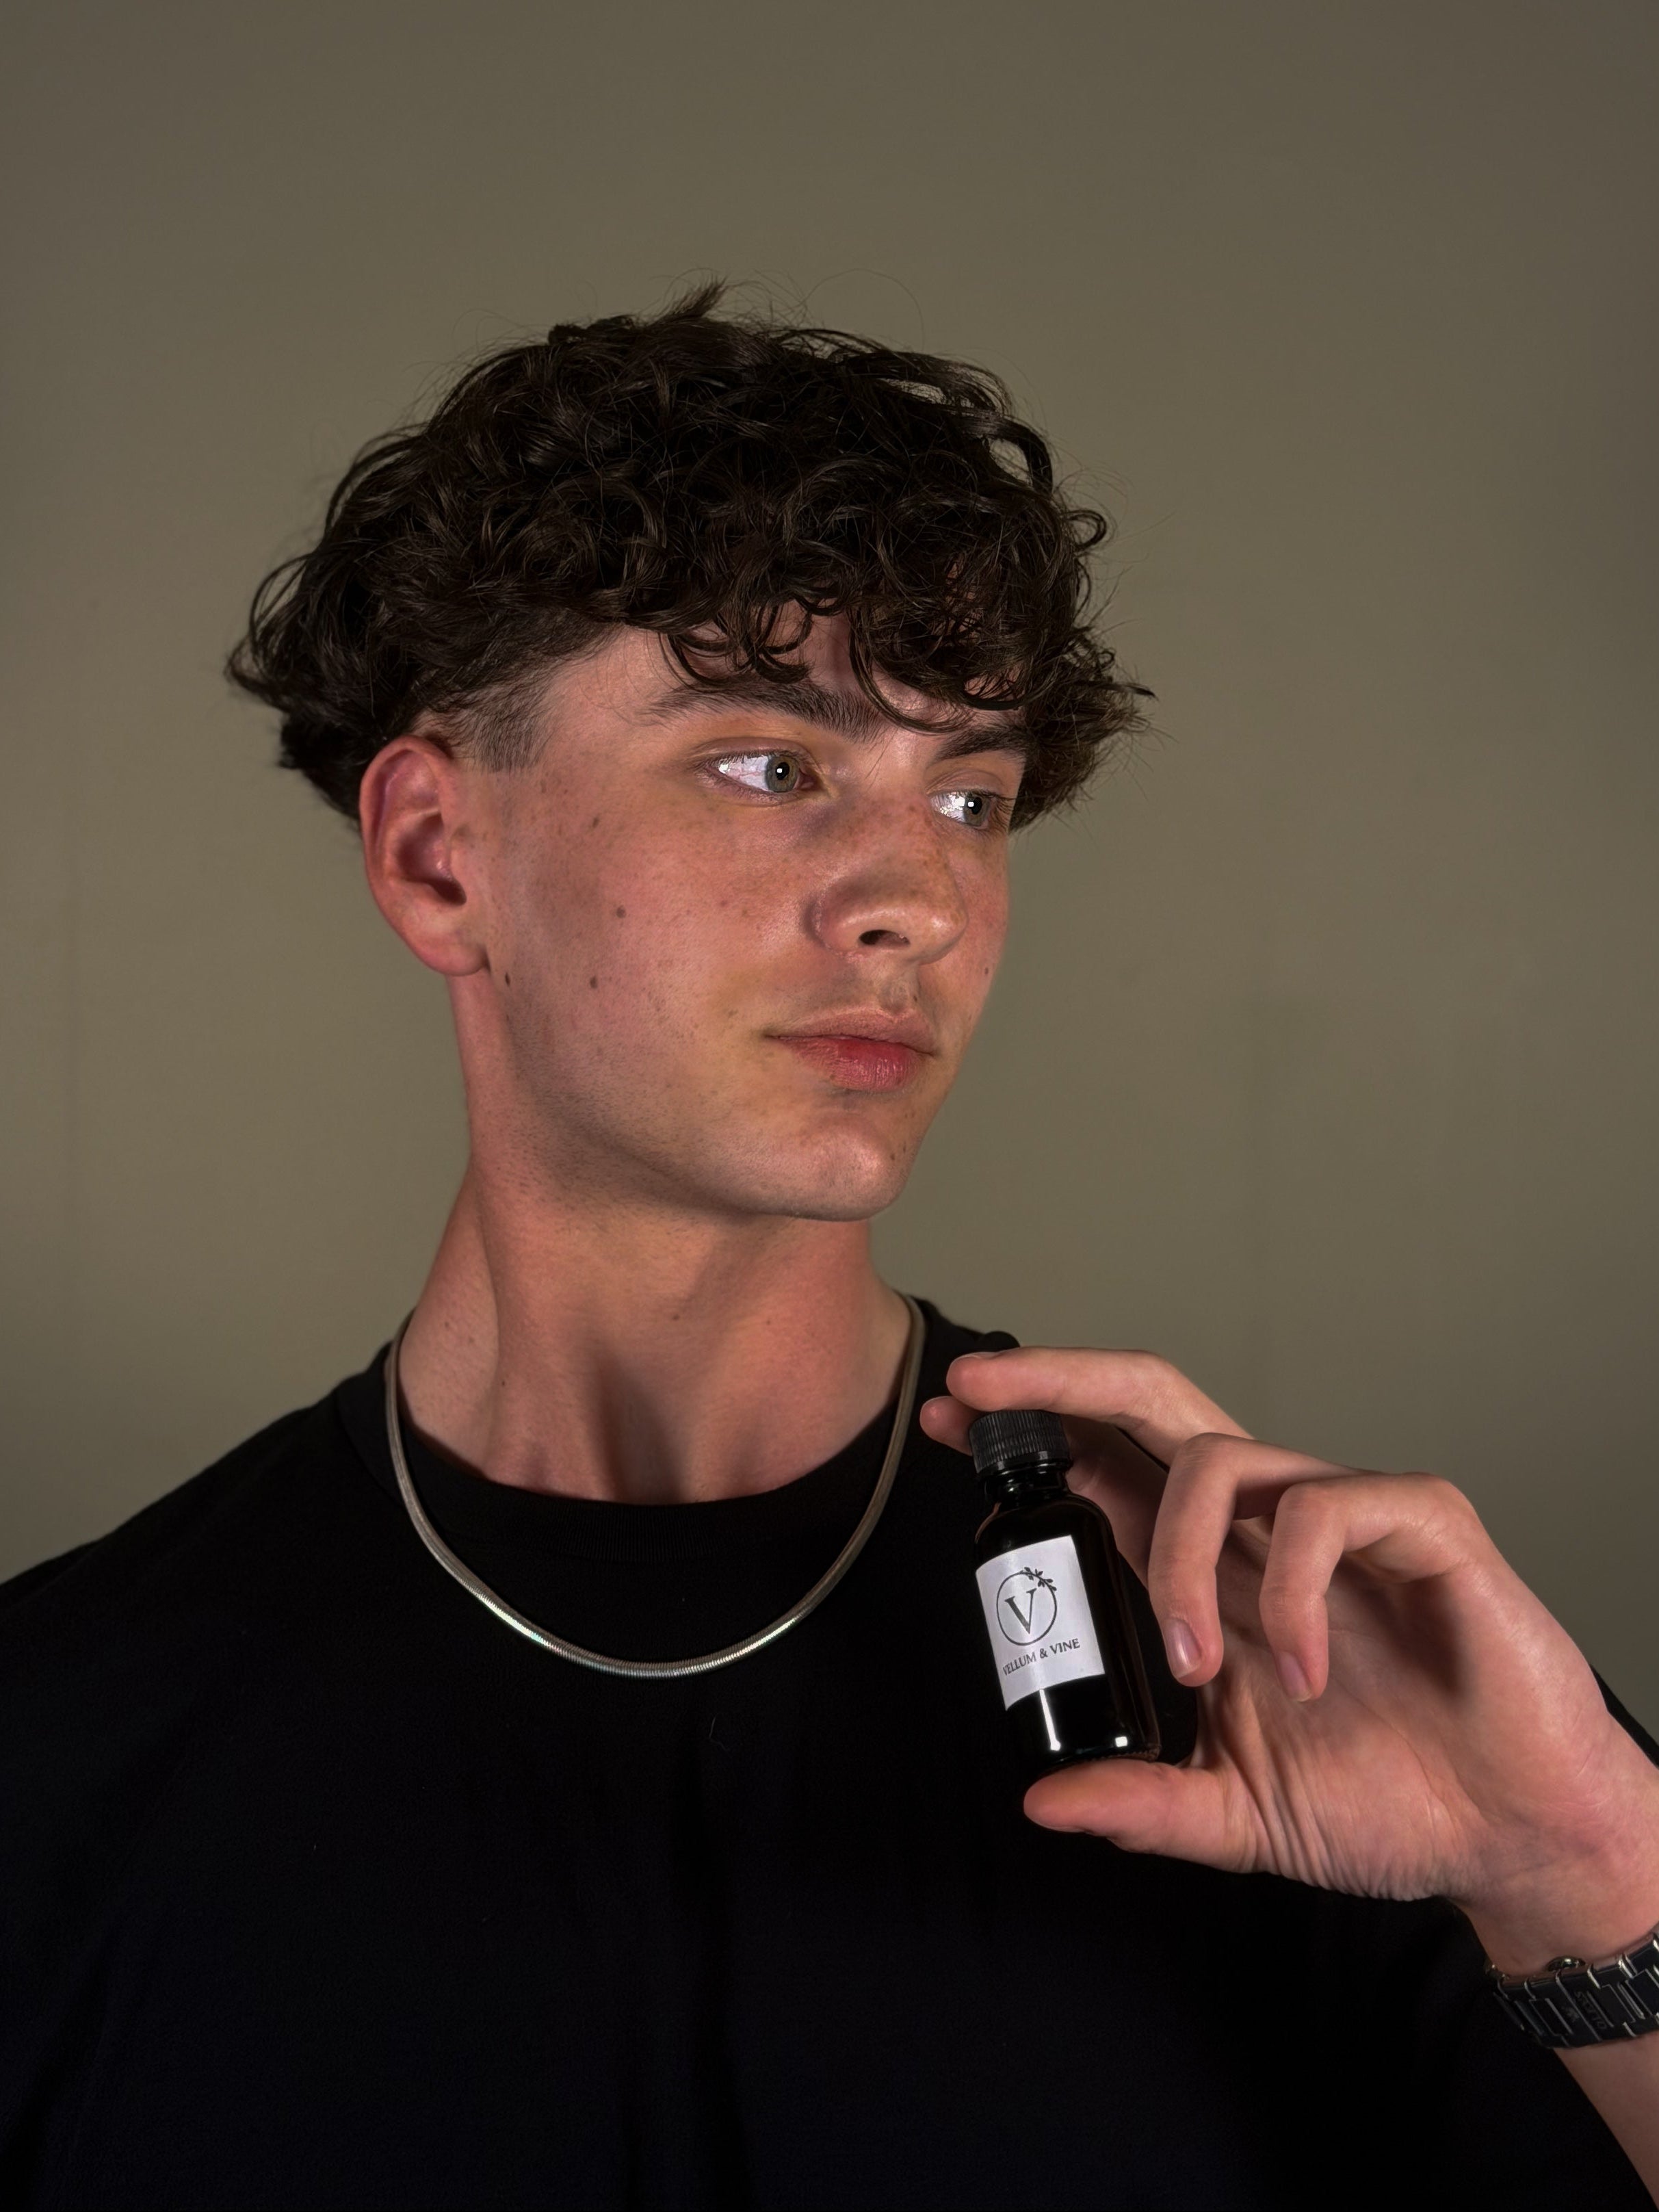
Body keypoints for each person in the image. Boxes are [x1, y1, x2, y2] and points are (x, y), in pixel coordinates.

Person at [2, 289, 1655, 2212]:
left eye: (970, 795)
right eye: (769, 764)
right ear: (438, 855)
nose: (917, 900)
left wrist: (1583, 1873)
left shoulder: (1286, 1685)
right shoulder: (64, 1742)